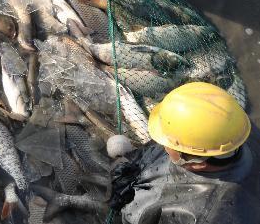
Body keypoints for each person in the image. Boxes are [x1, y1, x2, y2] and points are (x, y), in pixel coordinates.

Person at [109, 82, 258, 223]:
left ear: (197, 162)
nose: (164, 147)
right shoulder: (238, 131)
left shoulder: (206, 214)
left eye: (168, 145)